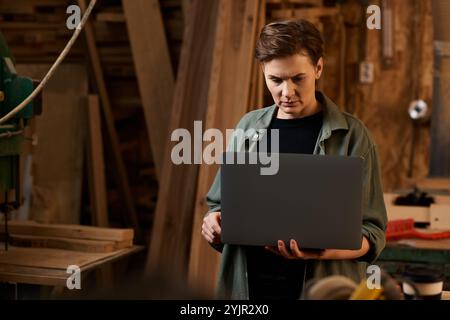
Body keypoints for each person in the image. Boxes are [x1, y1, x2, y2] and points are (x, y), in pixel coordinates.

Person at [201, 19, 387, 300]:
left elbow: (373, 233)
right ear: (263, 71)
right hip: (249, 291)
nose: (286, 93)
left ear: (318, 68)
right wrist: (213, 222)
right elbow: (219, 204)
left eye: (298, 79)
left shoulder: (353, 136)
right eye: (275, 80)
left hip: (320, 289)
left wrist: (324, 251)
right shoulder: (247, 128)